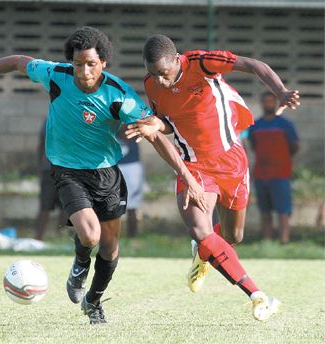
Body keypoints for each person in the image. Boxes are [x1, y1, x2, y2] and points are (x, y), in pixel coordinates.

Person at [0, 27, 202, 324]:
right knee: (90, 234)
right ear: (71, 62)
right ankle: (80, 267)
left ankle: (93, 301)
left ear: (104, 63)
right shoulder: (56, 75)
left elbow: (157, 137)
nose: (84, 71)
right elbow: (17, 61)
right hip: (67, 170)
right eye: (78, 64)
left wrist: (186, 174)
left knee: (110, 248)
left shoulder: (119, 94)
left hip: (106, 173)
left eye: (91, 64)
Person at [126, 35, 300, 321]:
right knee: (199, 230)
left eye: (164, 72)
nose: (160, 80)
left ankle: (204, 254)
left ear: (177, 58)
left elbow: (254, 65)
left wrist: (280, 91)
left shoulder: (201, 62)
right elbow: (169, 122)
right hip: (193, 165)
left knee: (234, 236)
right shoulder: (151, 84)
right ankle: (257, 296)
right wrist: (156, 123)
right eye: (153, 73)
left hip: (231, 161)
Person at [248, 92, 300, 244]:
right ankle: (268, 240)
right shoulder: (255, 125)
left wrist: (283, 159)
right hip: (261, 174)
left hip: (280, 173)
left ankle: (284, 240)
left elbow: (295, 145)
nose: (268, 104)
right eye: (265, 101)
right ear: (261, 103)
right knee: (264, 210)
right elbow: (253, 146)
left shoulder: (285, 124)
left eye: (271, 101)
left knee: (283, 210)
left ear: (275, 103)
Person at [35, 118, 68, 241]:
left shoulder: (74, 118)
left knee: (65, 206)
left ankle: (60, 236)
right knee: (45, 205)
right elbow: (42, 144)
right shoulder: (51, 119)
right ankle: (38, 238)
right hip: (50, 170)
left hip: (69, 170)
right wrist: (40, 167)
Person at [116, 123, 144, 237]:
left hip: (131, 164)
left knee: (131, 205)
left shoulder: (133, 112)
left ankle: (132, 235)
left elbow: (127, 132)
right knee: (110, 204)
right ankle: (110, 236)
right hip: (114, 164)